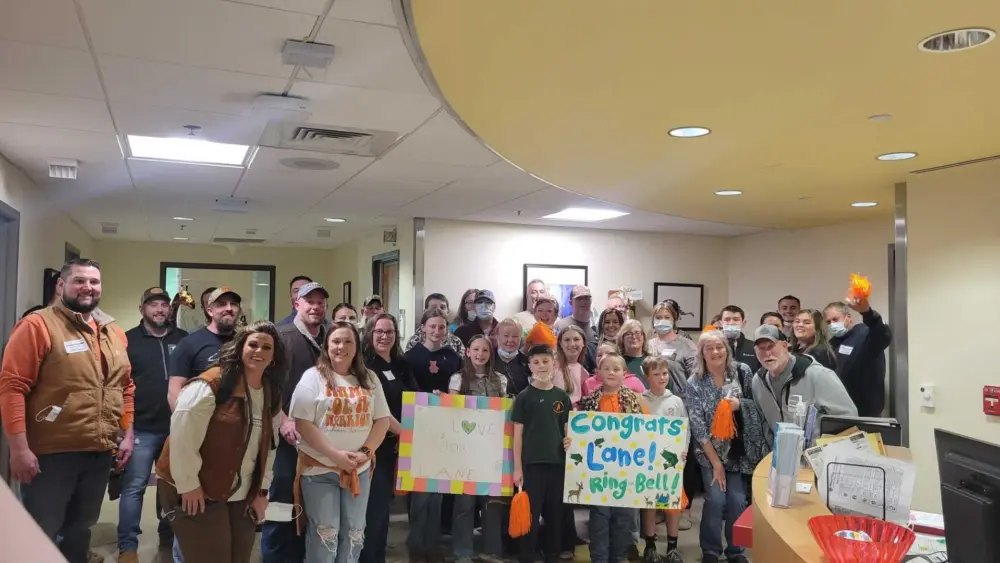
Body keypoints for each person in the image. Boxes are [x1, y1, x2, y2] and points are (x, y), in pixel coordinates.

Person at [0, 258, 135, 563]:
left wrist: (127, 432)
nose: (88, 287)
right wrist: (19, 449)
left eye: (94, 282)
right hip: (51, 454)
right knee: (40, 529)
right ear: (61, 285)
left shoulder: (113, 332)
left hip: (98, 452)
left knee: (79, 530)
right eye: (79, 281)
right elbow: (12, 387)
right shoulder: (37, 325)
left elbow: (126, 387)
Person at [155, 320, 286, 563]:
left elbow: (270, 447)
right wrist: (188, 485)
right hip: (199, 488)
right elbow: (183, 437)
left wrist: (261, 490)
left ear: (274, 355)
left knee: (239, 556)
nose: (259, 351)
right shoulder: (212, 384)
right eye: (253, 344)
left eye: (267, 347)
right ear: (239, 348)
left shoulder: (271, 392)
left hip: (242, 491)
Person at [289, 321, 391, 563]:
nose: (341, 346)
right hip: (320, 469)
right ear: (326, 345)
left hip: (359, 470)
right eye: (336, 341)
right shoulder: (313, 377)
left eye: (348, 341)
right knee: (327, 534)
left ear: (357, 347)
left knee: (355, 534)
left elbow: (382, 420)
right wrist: (335, 456)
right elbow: (302, 423)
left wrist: (366, 452)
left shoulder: (369, 378)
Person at [118, 288, 188, 562]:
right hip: (141, 429)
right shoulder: (127, 340)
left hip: (177, 429)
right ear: (142, 309)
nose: (159, 309)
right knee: (133, 487)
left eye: (163, 305)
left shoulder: (183, 340)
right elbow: (119, 386)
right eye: (153, 305)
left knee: (170, 487)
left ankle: (167, 536)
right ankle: (128, 546)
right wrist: (126, 429)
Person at [263, 282, 329, 563]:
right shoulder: (281, 337)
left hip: (321, 439)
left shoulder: (331, 337)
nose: (315, 306)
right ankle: (275, 557)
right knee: (281, 500)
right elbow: (265, 384)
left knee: (313, 503)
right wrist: (282, 418)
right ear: (296, 304)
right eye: (309, 301)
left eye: (320, 302)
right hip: (286, 438)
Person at [685, 332, 751, 563]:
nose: (715, 352)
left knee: (737, 500)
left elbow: (753, 406)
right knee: (715, 500)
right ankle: (711, 551)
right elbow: (698, 427)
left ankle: (736, 551)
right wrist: (716, 464)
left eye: (719, 347)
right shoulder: (695, 383)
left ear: (727, 349)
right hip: (708, 452)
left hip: (737, 450)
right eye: (709, 348)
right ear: (702, 353)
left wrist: (739, 404)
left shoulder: (741, 372)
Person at [404, 310, 463, 563]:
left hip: (445, 430)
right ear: (423, 328)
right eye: (432, 326)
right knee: (419, 491)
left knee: (438, 489)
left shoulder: (453, 358)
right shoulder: (410, 357)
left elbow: (460, 389)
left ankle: (433, 543)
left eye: (442, 327)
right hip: (417, 428)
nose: (437, 331)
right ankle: (417, 545)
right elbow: (407, 390)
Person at [361, 313, 418, 563]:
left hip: (400, 446)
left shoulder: (401, 363)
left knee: (384, 509)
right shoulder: (365, 366)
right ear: (370, 334)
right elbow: (377, 410)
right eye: (379, 332)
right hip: (376, 447)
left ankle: (378, 556)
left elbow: (415, 397)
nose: (385, 336)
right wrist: (403, 432)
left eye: (390, 332)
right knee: (373, 510)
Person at [578, 353, 646, 563]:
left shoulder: (636, 400)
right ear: (598, 373)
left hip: (626, 471)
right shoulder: (589, 402)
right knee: (599, 518)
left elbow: (651, 433)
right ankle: (599, 558)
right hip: (598, 471)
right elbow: (580, 434)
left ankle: (618, 557)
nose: (611, 372)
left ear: (624, 374)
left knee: (623, 518)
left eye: (616, 369)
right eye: (606, 368)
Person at [448, 335, 508, 563]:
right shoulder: (458, 379)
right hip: (465, 452)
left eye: (485, 350)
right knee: (465, 503)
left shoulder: (500, 380)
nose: (480, 354)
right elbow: (452, 409)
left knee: (492, 503)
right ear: (467, 351)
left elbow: (505, 409)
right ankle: (462, 552)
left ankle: (492, 551)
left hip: (493, 451)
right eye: (476, 349)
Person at [512, 344, 571, 563]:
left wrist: (569, 441)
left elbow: (567, 431)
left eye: (546, 361)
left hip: (557, 464)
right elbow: (517, 435)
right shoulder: (524, 397)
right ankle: (527, 556)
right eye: (536, 362)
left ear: (554, 364)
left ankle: (552, 554)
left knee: (555, 513)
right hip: (532, 465)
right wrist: (517, 467)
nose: (542, 366)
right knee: (530, 514)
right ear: (529, 366)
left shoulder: (562, 397)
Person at [751, 325, 858, 443]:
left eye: (771, 346)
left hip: (817, 455)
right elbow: (764, 423)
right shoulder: (758, 382)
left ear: (784, 346)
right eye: (761, 348)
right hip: (781, 454)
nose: (767, 353)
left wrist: (819, 448)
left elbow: (848, 418)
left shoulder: (817, 375)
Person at [640, 357, 688, 563]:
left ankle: (672, 547)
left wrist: (683, 453)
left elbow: (684, 430)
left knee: (671, 506)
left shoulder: (675, 402)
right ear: (647, 376)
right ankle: (650, 546)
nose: (662, 377)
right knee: (650, 504)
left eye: (665, 373)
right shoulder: (640, 400)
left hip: (671, 463)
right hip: (648, 463)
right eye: (657, 374)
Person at [168, 287, 242, 409]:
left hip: (236, 421)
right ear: (210, 311)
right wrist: (183, 424)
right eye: (221, 304)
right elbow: (174, 391)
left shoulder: (245, 343)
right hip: (200, 420)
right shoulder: (189, 344)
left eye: (233, 304)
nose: (229, 308)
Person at [824, 295, 892, 417]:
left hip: (865, 413)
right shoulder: (833, 343)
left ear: (848, 317)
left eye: (835, 319)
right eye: (828, 322)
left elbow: (883, 336)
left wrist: (867, 312)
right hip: (839, 412)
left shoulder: (864, 333)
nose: (832, 324)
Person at [647, 301, 698, 377]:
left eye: (667, 317)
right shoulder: (648, 345)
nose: (662, 321)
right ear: (653, 320)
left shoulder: (687, 345)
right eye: (658, 317)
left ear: (674, 320)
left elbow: (696, 375)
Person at [494, 318, 531, 394]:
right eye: (506, 336)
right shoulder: (489, 360)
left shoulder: (528, 363)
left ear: (520, 338)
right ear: (497, 337)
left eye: (515, 336)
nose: (510, 340)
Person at [719, 306, 760, 374]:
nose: (731, 323)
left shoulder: (754, 347)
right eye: (727, 319)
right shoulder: (713, 347)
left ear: (743, 323)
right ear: (721, 323)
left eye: (736, 319)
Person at [554, 325, 586, 407]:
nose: (572, 344)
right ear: (560, 343)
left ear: (583, 343)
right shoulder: (551, 366)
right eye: (567, 340)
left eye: (576, 339)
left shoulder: (585, 373)